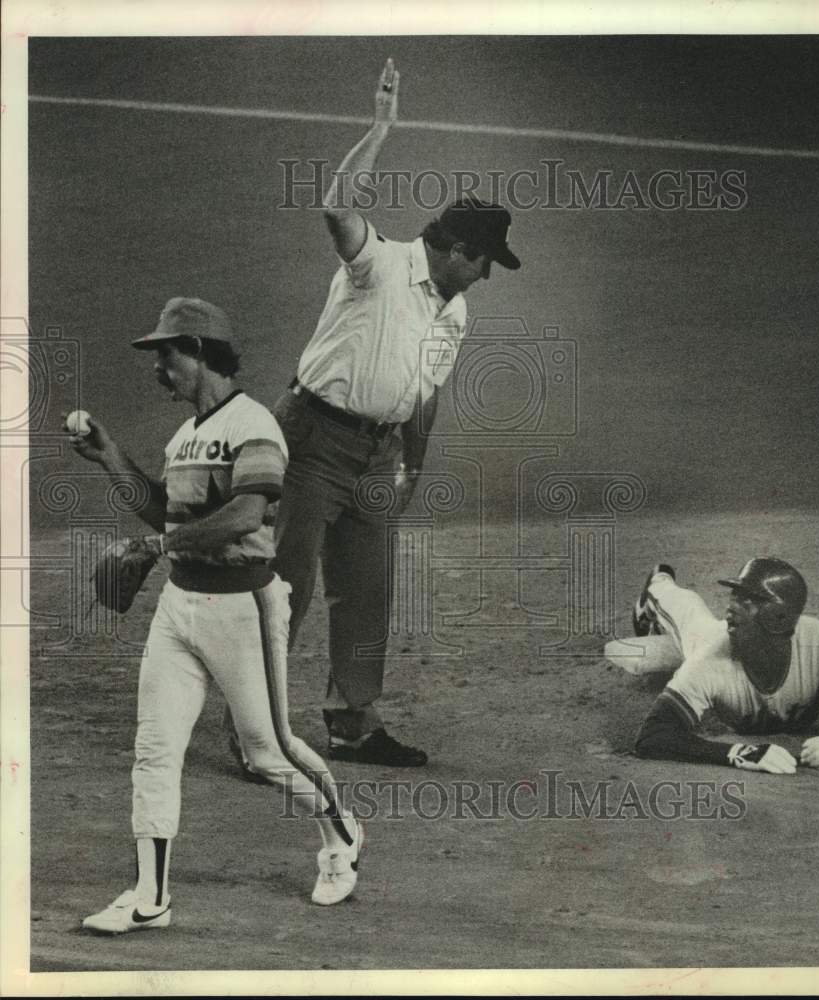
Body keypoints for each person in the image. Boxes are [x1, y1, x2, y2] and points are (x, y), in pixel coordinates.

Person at [69, 297, 362, 934]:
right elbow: (165, 516)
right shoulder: (186, 436)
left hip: (242, 607)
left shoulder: (255, 424)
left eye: (166, 355)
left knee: (269, 752)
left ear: (200, 351)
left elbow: (245, 516)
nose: (157, 370)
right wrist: (112, 455)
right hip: (179, 608)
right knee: (154, 748)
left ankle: (340, 837)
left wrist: (158, 546)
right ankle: (150, 899)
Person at [270, 58, 521, 767]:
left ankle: (353, 725)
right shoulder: (378, 264)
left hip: (379, 456)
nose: (488, 275)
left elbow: (425, 390)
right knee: (284, 588)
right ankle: (256, 727)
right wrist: (382, 127)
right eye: (487, 261)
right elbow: (336, 208)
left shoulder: (455, 310)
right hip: (312, 438)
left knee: (367, 592)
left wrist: (412, 463)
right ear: (459, 250)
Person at [603, 560, 819, 773]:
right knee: (692, 618)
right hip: (708, 642)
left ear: (778, 617)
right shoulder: (711, 658)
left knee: (699, 619)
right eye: (735, 596)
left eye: (749, 600)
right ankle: (657, 585)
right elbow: (652, 737)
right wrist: (738, 753)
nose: (732, 607)